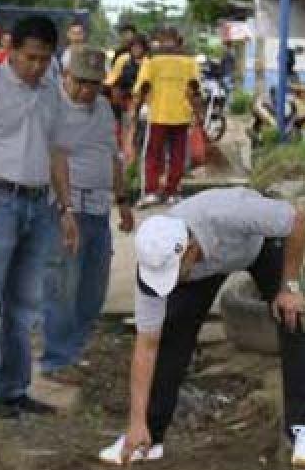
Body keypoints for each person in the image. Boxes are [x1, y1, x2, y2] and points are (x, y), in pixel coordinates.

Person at [99, 187, 305, 468]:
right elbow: (146, 345)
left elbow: (297, 221)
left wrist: (290, 287)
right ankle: (148, 436)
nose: (167, 283)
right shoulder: (154, 262)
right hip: (204, 268)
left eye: (171, 273)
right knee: (171, 333)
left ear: (191, 249)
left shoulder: (230, 213)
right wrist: (135, 421)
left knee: (292, 317)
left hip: (258, 244)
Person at [0, 15, 79, 418]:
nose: (37, 66)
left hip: (39, 204)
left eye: (44, 59)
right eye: (30, 58)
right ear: (11, 49)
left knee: (25, 303)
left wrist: (66, 208)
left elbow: (58, 151)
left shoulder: (51, 92)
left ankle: (13, 387)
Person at [40, 46, 135, 380]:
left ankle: (74, 350)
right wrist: (65, 209)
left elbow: (113, 157)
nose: (87, 90)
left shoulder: (104, 110)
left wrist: (123, 200)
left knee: (93, 289)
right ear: (66, 76)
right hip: (68, 207)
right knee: (64, 285)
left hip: (99, 207)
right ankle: (57, 359)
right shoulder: (52, 107)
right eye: (80, 82)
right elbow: (56, 159)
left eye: (94, 83)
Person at [131, 26, 200, 207]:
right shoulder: (188, 59)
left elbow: (143, 86)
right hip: (181, 114)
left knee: (153, 154)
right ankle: (172, 192)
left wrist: (136, 110)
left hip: (158, 114)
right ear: (178, 39)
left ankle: (151, 192)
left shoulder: (152, 58)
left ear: (160, 39)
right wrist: (197, 113)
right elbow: (194, 89)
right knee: (177, 155)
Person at [106, 34, 148, 147]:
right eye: (134, 46)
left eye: (139, 47)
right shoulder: (123, 59)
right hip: (125, 96)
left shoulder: (148, 62)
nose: (136, 49)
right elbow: (113, 77)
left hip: (143, 97)